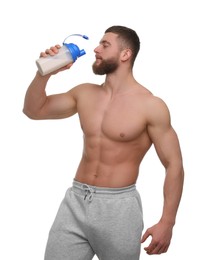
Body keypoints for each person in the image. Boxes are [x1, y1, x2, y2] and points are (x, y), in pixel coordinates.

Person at [23, 25, 184, 260]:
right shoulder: (84, 93)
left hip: (118, 208)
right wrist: (44, 73)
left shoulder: (150, 105)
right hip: (75, 201)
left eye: (105, 45)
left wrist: (167, 222)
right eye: (98, 43)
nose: (96, 49)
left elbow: (174, 164)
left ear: (125, 54)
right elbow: (33, 110)